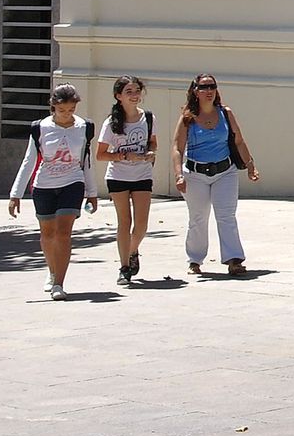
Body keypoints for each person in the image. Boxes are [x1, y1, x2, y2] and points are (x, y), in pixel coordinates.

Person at [5, 83, 100, 300]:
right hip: (44, 184)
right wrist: (15, 194)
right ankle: (52, 270)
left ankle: (59, 283)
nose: (67, 115)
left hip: (72, 182)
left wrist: (92, 192)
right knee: (48, 233)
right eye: (62, 110)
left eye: (71, 110)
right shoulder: (40, 127)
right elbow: (29, 161)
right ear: (53, 108)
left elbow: (87, 161)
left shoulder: (84, 127)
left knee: (64, 232)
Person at [171, 73, 259, 276]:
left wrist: (250, 165)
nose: (208, 91)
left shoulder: (225, 113)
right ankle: (195, 259)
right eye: (204, 87)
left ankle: (234, 260)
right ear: (195, 91)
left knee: (226, 216)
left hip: (224, 172)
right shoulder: (188, 117)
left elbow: (238, 140)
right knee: (198, 217)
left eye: (212, 86)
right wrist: (178, 175)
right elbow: (177, 147)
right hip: (195, 174)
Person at [95, 75, 158, 285]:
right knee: (125, 221)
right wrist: (122, 156)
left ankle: (132, 251)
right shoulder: (111, 123)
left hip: (142, 175)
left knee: (141, 225)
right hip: (118, 176)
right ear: (118, 96)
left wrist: (150, 153)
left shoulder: (148, 118)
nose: (134, 96)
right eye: (128, 92)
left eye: (137, 91)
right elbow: (101, 154)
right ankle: (124, 266)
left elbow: (153, 143)